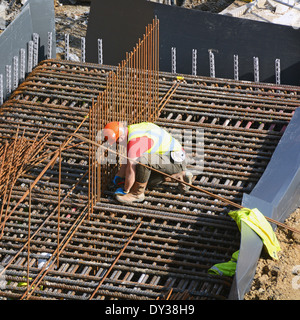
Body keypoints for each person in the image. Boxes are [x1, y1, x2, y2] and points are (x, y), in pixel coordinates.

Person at [103, 121, 193, 204]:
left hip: (176, 162)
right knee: (142, 178)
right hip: (172, 158)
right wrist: (119, 176)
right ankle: (179, 176)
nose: (118, 145)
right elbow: (127, 159)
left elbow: (131, 168)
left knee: (143, 162)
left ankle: (136, 194)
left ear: (120, 137)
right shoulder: (132, 130)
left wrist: (126, 190)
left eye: (117, 143)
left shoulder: (134, 142)